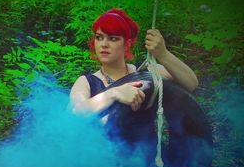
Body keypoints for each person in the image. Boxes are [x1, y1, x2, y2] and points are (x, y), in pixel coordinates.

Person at [70, 8, 198, 119]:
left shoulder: (147, 70)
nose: (103, 44)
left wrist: (163, 54)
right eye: (99, 37)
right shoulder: (86, 82)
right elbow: (74, 112)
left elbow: (191, 83)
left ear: (127, 44)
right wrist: (114, 93)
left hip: (147, 147)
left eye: (113, 38)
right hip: (102, 147)